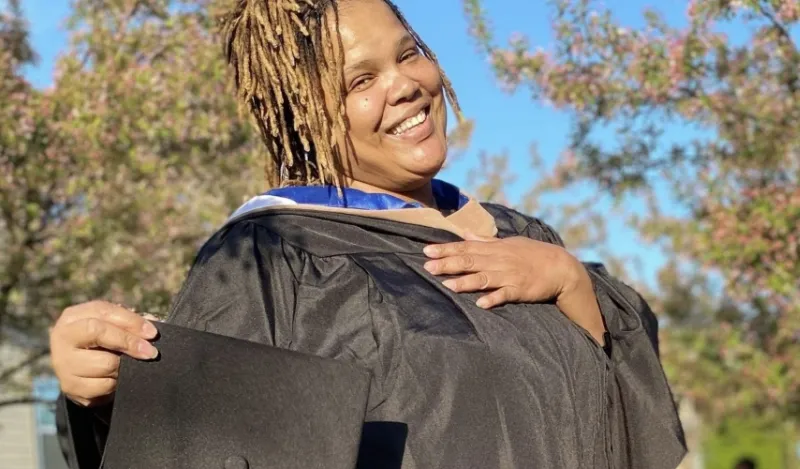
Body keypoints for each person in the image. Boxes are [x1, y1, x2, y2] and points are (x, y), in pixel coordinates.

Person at [49, 0, 687, 468]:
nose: (406, 85)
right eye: (360, 81)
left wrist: (571, 280)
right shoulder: (271, 259)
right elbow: (204, 438)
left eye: (408, 52)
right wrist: (103, 398)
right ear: (306, 117)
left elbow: (623, 411)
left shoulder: (521, 234)